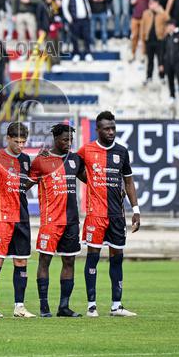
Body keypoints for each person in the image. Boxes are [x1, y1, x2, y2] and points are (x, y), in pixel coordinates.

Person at [76, 111, 140, 318]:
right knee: (92, 257)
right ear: (98, 130)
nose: (111, 132)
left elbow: (128, 181)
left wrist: (136, 209)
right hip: (95, 214)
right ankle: (91, 306)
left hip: (117, 215)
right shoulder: (86, 150)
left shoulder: (122, 152)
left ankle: (116, 306)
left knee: (117, 258)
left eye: (113, 128)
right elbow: (74, 168)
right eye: (107, 128)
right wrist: (91, 181)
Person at [29, 122, 84, 317]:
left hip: (71, 220)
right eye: (64, 140)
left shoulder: (75, 160)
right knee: (45, 261)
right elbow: (25, 185)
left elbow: (91, 179)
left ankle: (64, 307)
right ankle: (44, 307)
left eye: (71, 139)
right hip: (51, 220)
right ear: (55, 139)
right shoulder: (41, 161)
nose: (68, 143)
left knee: (69, 262)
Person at [0, 122, 36, 319]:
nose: (20, 145)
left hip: (21, 215)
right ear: (8, 139)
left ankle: (19, 307)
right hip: (1, 216)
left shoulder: (27, 160)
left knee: (21, 261)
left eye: (23, 141)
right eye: (17, 141)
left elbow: (27, 183)